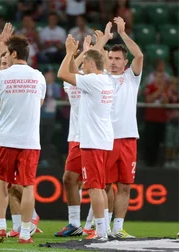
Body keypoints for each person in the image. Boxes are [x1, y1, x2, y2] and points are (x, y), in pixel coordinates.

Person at [0, 35, 46, 244]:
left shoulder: (2, 77)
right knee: (28, 185)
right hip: (30, 140)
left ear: (13, 53)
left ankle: (1, 227)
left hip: (5, 139)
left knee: (2, 181)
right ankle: (24, 233)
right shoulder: (38, 76)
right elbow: (38, 105)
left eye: (7, 54)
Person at [57, 26, 114, 241]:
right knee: (94, 186)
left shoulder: (92, 81)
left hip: (92, 140)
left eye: (85, 62)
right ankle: (100, 230)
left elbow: (64, 73)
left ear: (89, 64)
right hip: (98, 139)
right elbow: (84, 67)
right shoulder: (104, 80)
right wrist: (89, 50)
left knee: (95, 188)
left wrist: (70, 53)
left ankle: (101, 233)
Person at [105, 16, 144, 238]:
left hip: (128, 137)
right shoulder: (100, 77)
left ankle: (118, 229)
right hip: (106, 139)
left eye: (117, 58)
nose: (113, 62)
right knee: (106, 185)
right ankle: (105, 227)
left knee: (125, 185)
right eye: (110, 57)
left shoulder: (132, 77)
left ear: (125, 62)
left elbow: (139, 54)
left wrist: (122, 32)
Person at [54, 35, 93, 238]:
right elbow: (67, 71)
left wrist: (84, 53)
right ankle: (76, 223)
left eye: (87, 61)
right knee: (72, 181)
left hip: (93, 138)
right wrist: (80, 54)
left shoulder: (97, 81)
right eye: (82, 62)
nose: (83, 64)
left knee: (97, 183)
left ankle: (92, 223)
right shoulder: (74, 84)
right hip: (75, 138)